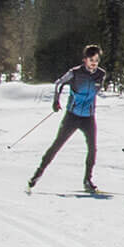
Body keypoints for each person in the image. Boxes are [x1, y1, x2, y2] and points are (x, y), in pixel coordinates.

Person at [29, 44, 106, 194]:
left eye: (96, 60)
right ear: (85, 60)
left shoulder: (101, 74)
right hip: (72, 116)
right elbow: (59, 83)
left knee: (92, 148)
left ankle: (87, 180)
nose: (94, 63)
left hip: (88, 117)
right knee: (57, 145)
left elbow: (95, 90)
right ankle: (37, 175)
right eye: (91, 60)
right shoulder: (75, 73)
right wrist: (56, 101)